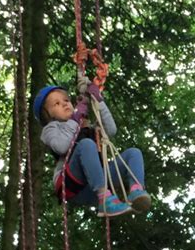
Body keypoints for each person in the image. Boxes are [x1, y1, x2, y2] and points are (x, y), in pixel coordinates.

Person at [34, 81, 151, 217]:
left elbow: (111, 130)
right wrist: (75, 120)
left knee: (133, 153)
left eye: (66, 100)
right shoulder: (51, 129)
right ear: (48, 115)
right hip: (72, 185)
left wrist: (99, 100)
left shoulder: (87, 129)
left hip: (95, 181)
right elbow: (61, 146)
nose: (65, 104)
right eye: (57, 104)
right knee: (86, 144)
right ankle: (104, 199)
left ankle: (136, 190)